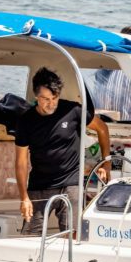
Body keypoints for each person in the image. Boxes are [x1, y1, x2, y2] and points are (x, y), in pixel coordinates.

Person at [15, 67, 111, 236]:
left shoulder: (73, 111)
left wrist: (107, 163)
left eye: (55, 98)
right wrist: (24, 197)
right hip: (39, 185)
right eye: (45, 99)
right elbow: (21, 162)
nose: (51, 103)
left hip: (71, 184)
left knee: (72, 239)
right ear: (36, 96)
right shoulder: (25, 121)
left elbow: (102, 129)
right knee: (29, 238)